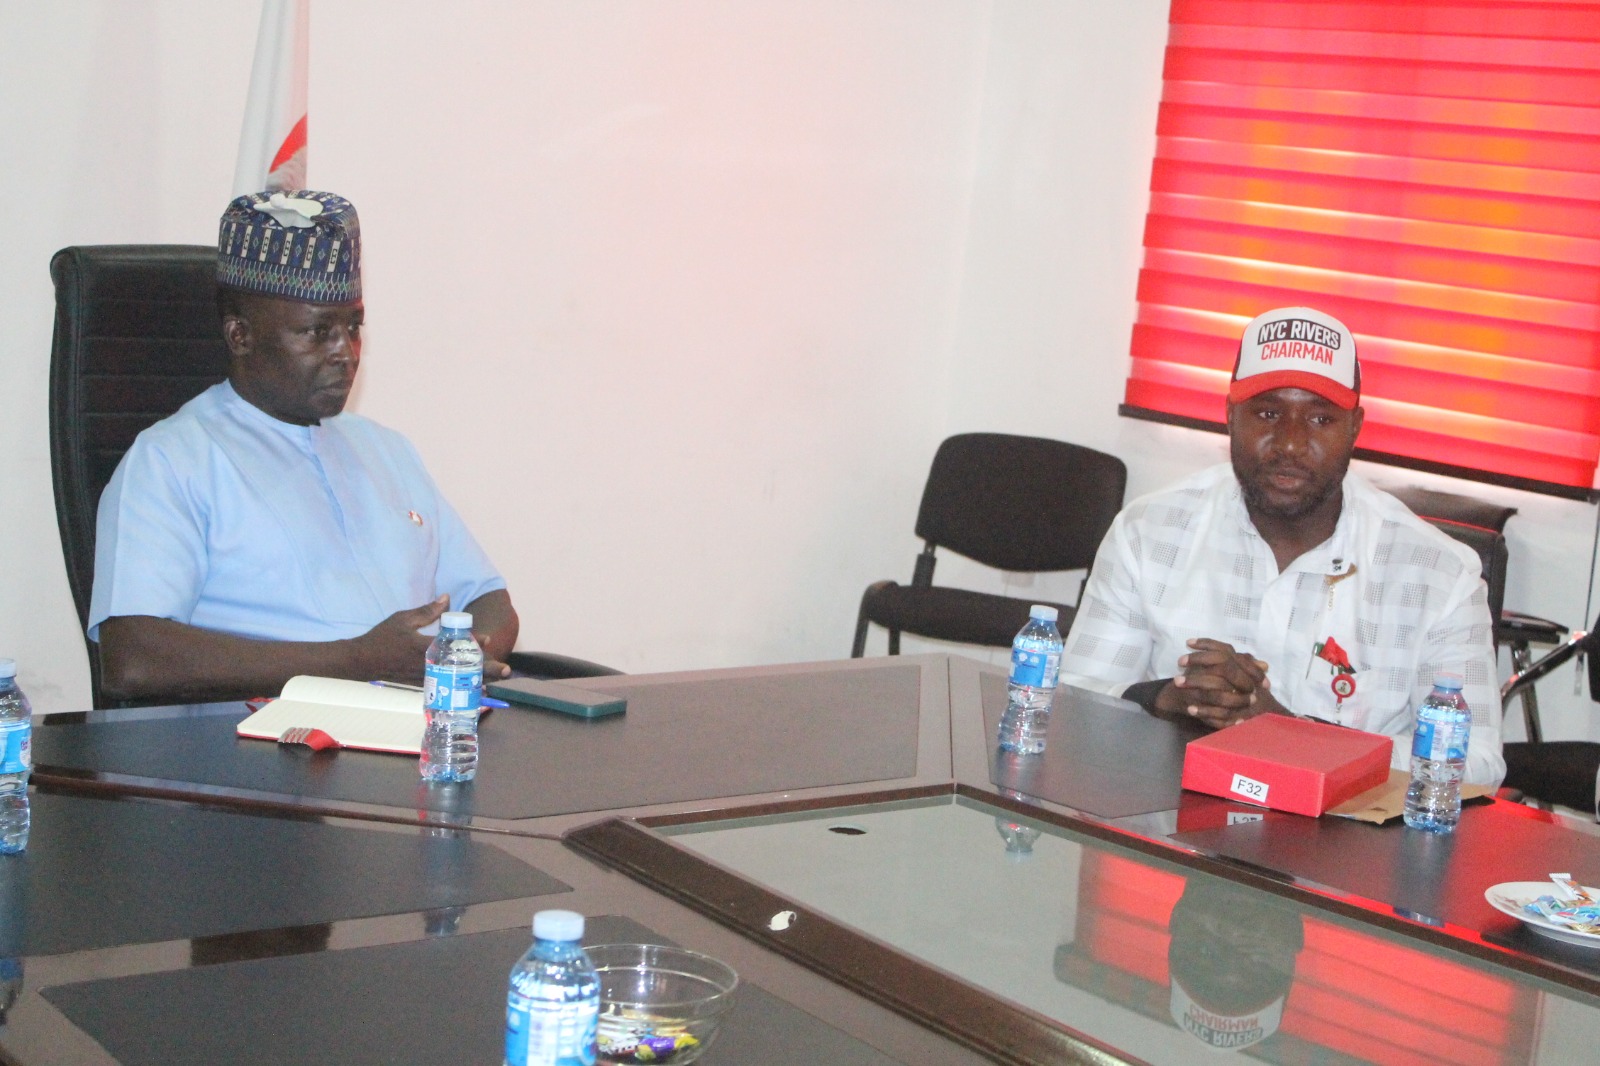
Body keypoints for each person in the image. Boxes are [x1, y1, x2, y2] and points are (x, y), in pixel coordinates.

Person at [88, 190, 517, 704]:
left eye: (353, 327)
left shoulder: (386, 451)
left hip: (422, 727)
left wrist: (463, 656)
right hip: (267, 739)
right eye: (317, 332)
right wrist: (358, 662)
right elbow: (133, 657)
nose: (345, 353)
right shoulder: (172, 461)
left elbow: (487, 597)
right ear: (240, 336)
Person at [1061, 306, 1504, 786]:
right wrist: (1167, 699)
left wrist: (1288, 734)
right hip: (1164, 810)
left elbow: (1475, 766)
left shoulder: (1439, 574)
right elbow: (1073, 703)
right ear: (1230, 415)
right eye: (1269, 413)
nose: (1291, 443)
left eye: (1320, 418)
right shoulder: (1150, 531)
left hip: (1342, 829)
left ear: (1355, 427)